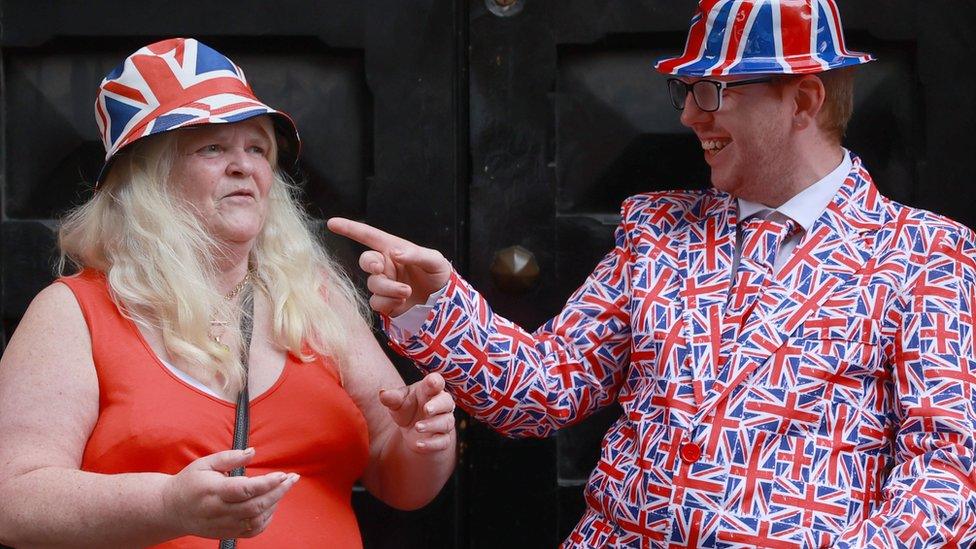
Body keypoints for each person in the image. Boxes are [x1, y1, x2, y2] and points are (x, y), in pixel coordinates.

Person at [328, 1, 976, 547]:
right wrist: (432, 304)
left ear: (803, 98)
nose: (691, 115)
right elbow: (543, 389)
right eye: (687, 90)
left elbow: (945, 482)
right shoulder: (659, 235)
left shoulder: (926, 258)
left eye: (712, 91)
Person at [0, 38, 456, 547]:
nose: (244, 166)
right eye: (213, 146)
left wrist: (424, 441)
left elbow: (397, 477)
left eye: (257, 147)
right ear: (147, 175)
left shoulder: (312, 300)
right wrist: (168, 506)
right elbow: (15, 501)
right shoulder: (75, 311)